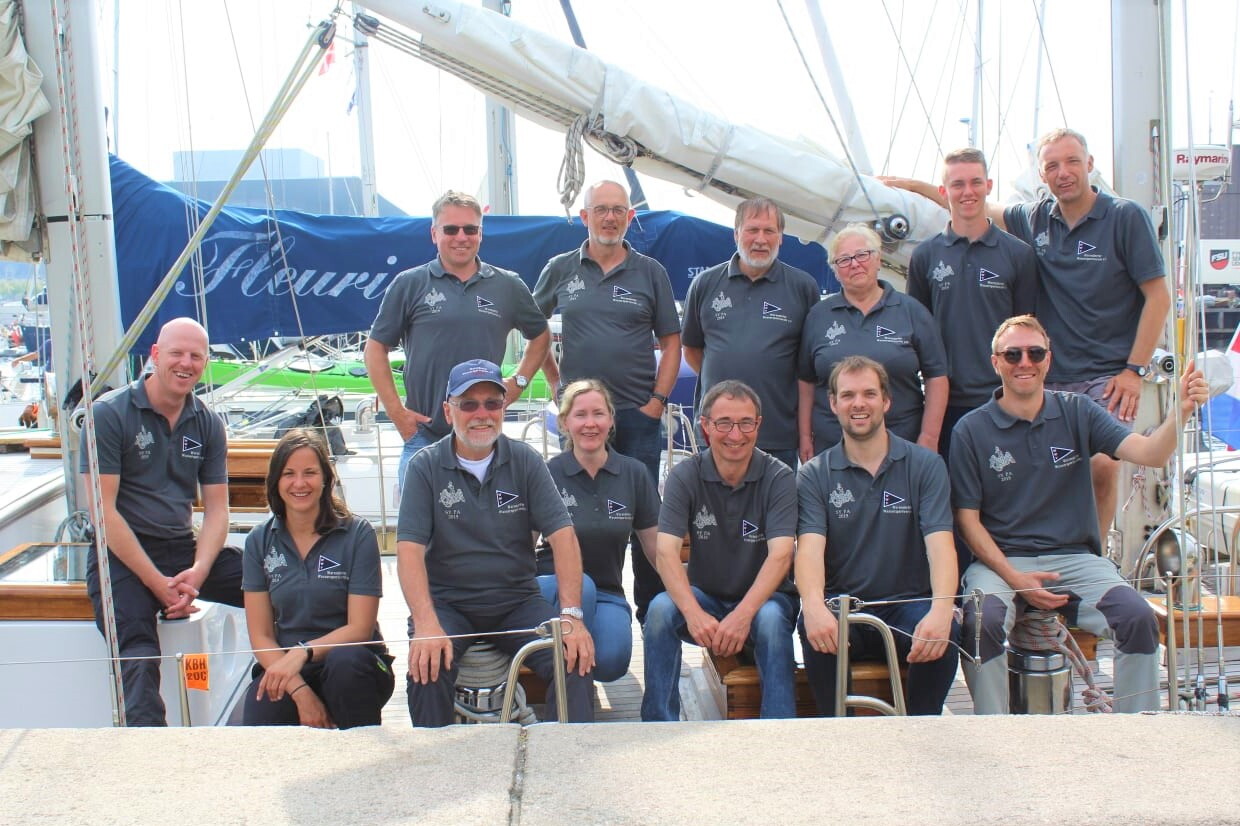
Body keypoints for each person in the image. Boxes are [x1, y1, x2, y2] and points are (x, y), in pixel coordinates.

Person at [889, 129, 1171, 544]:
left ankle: (1091, 560)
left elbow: (1159, 298)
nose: (1063, 172)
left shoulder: (1124, 217)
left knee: (1101, 466)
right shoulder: (1036, 218)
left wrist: (1134, 370)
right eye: (1052, 165)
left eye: (1072, 162)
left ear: (1090, 164)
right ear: (1042, 174)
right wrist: (912, 186)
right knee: (1039, 475)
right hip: (1047, 374)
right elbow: (975, 204)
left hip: (1107, 376)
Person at [950, 315, 1208, 713]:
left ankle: (1139, 729)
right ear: (995, 362)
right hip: (1001, 563)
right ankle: (994, 732)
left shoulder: (1078, 412)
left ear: (1048, 360)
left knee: (1136, 618)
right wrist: (1015, 578)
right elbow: (967, 520)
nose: (1024, 362)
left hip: (1075, 559)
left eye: (1035, 353)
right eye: (1013, 354)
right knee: (981, 624)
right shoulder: (970, 429)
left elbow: (1151, 453)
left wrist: (1183, 410)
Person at [397, 359, 596, 725]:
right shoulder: (424, 466)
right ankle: (433, 759)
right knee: (426, 668)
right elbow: (408, 551)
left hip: (516, 601)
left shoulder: (525, 461)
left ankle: (568, 756)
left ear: (503, 408)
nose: (482, 414)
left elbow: (563, 537)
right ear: (448, 411)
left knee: (573, 661)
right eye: (468, 404)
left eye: (492, 403)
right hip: (448, 603)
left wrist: (571, 616)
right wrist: (425, 624)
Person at [82, 317, 243, 725]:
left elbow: (217, 510)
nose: (186, 363)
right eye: (176, 353)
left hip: (181, 548)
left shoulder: (207, 423)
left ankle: (296, 686)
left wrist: (199, 571)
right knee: (137, 651)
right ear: (155, 355)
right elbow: (103, 512)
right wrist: (158, 583)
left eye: (196, 356)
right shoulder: (108, 415)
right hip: (122, 554)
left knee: (276, 582)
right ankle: (150, 745)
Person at [533, 179, 681, 623]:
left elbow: (671, 341)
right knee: (574, 517)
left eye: (618, 210)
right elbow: (533, 329)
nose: (610, 217)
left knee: (644, 522)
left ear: (630, 217)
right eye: (601, 209)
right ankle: (581, 607)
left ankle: (653, 615)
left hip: (638, 416)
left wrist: (658, 401)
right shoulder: (560, 268)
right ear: (585, 216)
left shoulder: (651, 272)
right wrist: (557, 384)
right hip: (582, 420)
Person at [796, 356, 959, 716]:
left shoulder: (925, 465)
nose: (859, 403)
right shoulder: (814, 474)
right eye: (848, 395)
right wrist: (813, 605)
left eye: (869, 394)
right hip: (845, 606)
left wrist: (942, 608)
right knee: (815, 627)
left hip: (908, 605)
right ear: (833, 403)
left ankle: (921, 731)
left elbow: (941, 547)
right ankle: (839, 733)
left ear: (886, 401)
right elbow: (808, 551)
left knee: (945, 629)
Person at [365, 190, 550, 489]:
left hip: (484, 437)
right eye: (450, 229)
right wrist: (396, 412)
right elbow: (375, 348)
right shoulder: (409, 284)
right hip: (424, 436)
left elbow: (540, 335)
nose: (461, 237)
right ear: (434, 233)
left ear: (481, 234)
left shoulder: (508, 285)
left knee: (491, 519)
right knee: (416, 521)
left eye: (470, 229)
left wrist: (519, 382)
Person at [641, 380, 798, 721]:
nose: (735, 434)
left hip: (766, 600)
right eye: (724, 423)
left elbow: (782, 555)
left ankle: (781, 730)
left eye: (745, 423)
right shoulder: (685, 475)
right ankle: (658, 725)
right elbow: (665, 553)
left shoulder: (779, 477)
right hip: (707, 596)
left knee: (772, 620)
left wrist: (742, 615)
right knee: (660, 611)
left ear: (758, 425)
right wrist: (693, 613)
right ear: (706, 426)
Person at [241, 428, 395, 729]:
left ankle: (364, 752)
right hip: (288, 668)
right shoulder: (258, 541)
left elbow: (360, 628)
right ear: (276, 481)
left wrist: (303, 651)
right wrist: (300, 691)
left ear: (327, 478)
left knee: (345, 665)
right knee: (262, 713)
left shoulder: (357, 534)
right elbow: (261, 635)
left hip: (354, 662)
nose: (299, 483)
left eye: (310, 473)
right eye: (289, 474)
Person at [905, 148, 1037, 460]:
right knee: (950, 488)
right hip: (944, 403)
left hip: (1002, 399)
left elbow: (1028, 332)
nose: (968, 192)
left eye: (976, 182)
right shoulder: (925, 256)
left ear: (989, 186)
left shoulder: (1019, 254)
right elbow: (917, 333)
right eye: (958, 184)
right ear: (943, 192)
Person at [681, 197, 820, 470]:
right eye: (752, 230)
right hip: (717, 432)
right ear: (736, 234)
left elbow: (809, 367)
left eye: (769, 231)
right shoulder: (704, 284)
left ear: (781, 237)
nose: (760, 239)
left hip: (778, 434)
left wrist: (805, 433)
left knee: (777, 500)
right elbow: (693, 350)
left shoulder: (803, 287)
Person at [536, 379, 660, 682]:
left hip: (607, 591)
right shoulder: (547, 473)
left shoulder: (634, 473)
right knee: (583, 587)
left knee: (611, 661)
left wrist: (690, 594)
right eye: (580, 415)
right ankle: (572, 698)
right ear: (564, 423)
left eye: (598, 414)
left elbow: (657, 550)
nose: (590, 423)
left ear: (611, 420)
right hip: (552, 589)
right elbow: (522, 548)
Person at [798, 223, 948, 459]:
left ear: (878, 260)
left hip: (902, 445)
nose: (854, 264)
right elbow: (806, 381)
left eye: (862, 255)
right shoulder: (818, 316)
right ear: (835, 271)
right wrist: (805, 436)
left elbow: (936, 377)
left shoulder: (912, 312)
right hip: (833, 448)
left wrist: (929, 437)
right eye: (844, 260)